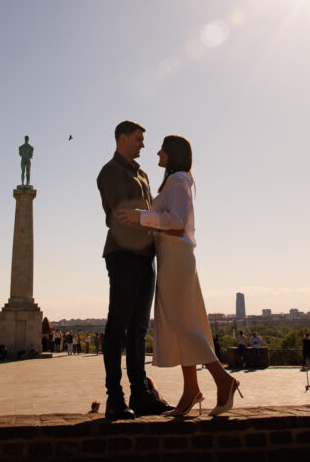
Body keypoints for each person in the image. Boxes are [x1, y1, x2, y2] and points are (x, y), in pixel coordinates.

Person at [117, 134, 241, 417]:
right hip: (174, 257)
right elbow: (166, 217)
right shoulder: (177, 181)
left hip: (175, 257)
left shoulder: (178, 181)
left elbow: (176, 222)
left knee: (180, 322)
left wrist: (140, 217)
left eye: (162, 149)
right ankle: (191, 391)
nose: (158, 152)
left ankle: (223, 379)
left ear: (172, 154)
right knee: (184, 321)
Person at [96, 120, 170, 419]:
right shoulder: (110, 171)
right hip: (124, 253)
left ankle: (140, 394)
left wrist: (145, 217)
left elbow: (143, 214)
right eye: (139, 139)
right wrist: (147, 217)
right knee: (118, 327)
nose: (143, 144)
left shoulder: (141, 173)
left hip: (145, 254)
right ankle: (115, 398)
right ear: (123, 138)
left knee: (139, 329)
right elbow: (122, 215)